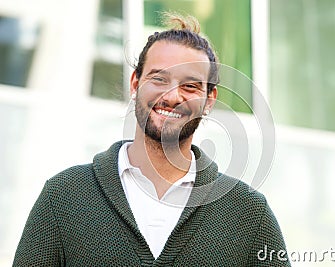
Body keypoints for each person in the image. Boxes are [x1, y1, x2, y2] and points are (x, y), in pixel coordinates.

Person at [13, 13, 291, 266]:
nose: (171, 96)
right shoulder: (64, 196)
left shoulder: (249, 215)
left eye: (190, 86)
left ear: (209, 100)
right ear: (135, 83)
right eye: (159, 79)